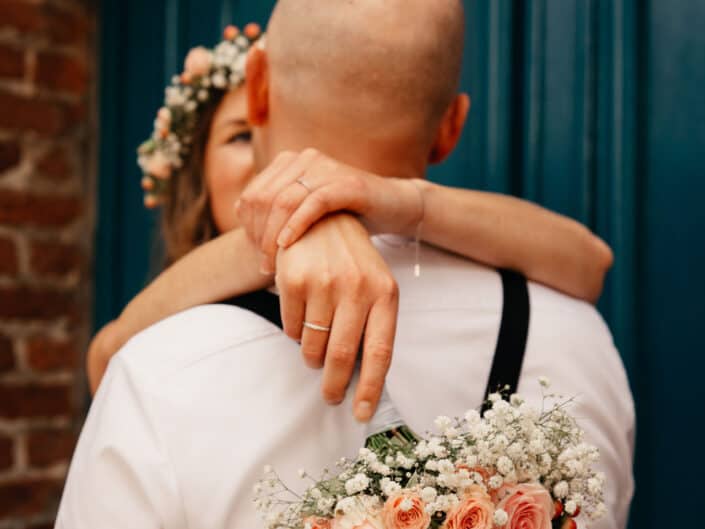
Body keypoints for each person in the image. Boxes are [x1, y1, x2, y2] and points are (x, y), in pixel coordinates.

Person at [56, 1, 634, 528]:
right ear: (451, 126)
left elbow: (108, 357)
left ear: (256, 87)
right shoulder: (582, 340)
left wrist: (319, 212)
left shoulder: (163, 370)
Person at [86, 22, 613, 417]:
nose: (271, 167)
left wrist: (375, 203)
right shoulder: (167, 338)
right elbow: (107, 353)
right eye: (238, 137)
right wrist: (311, 222)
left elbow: (590, 260)